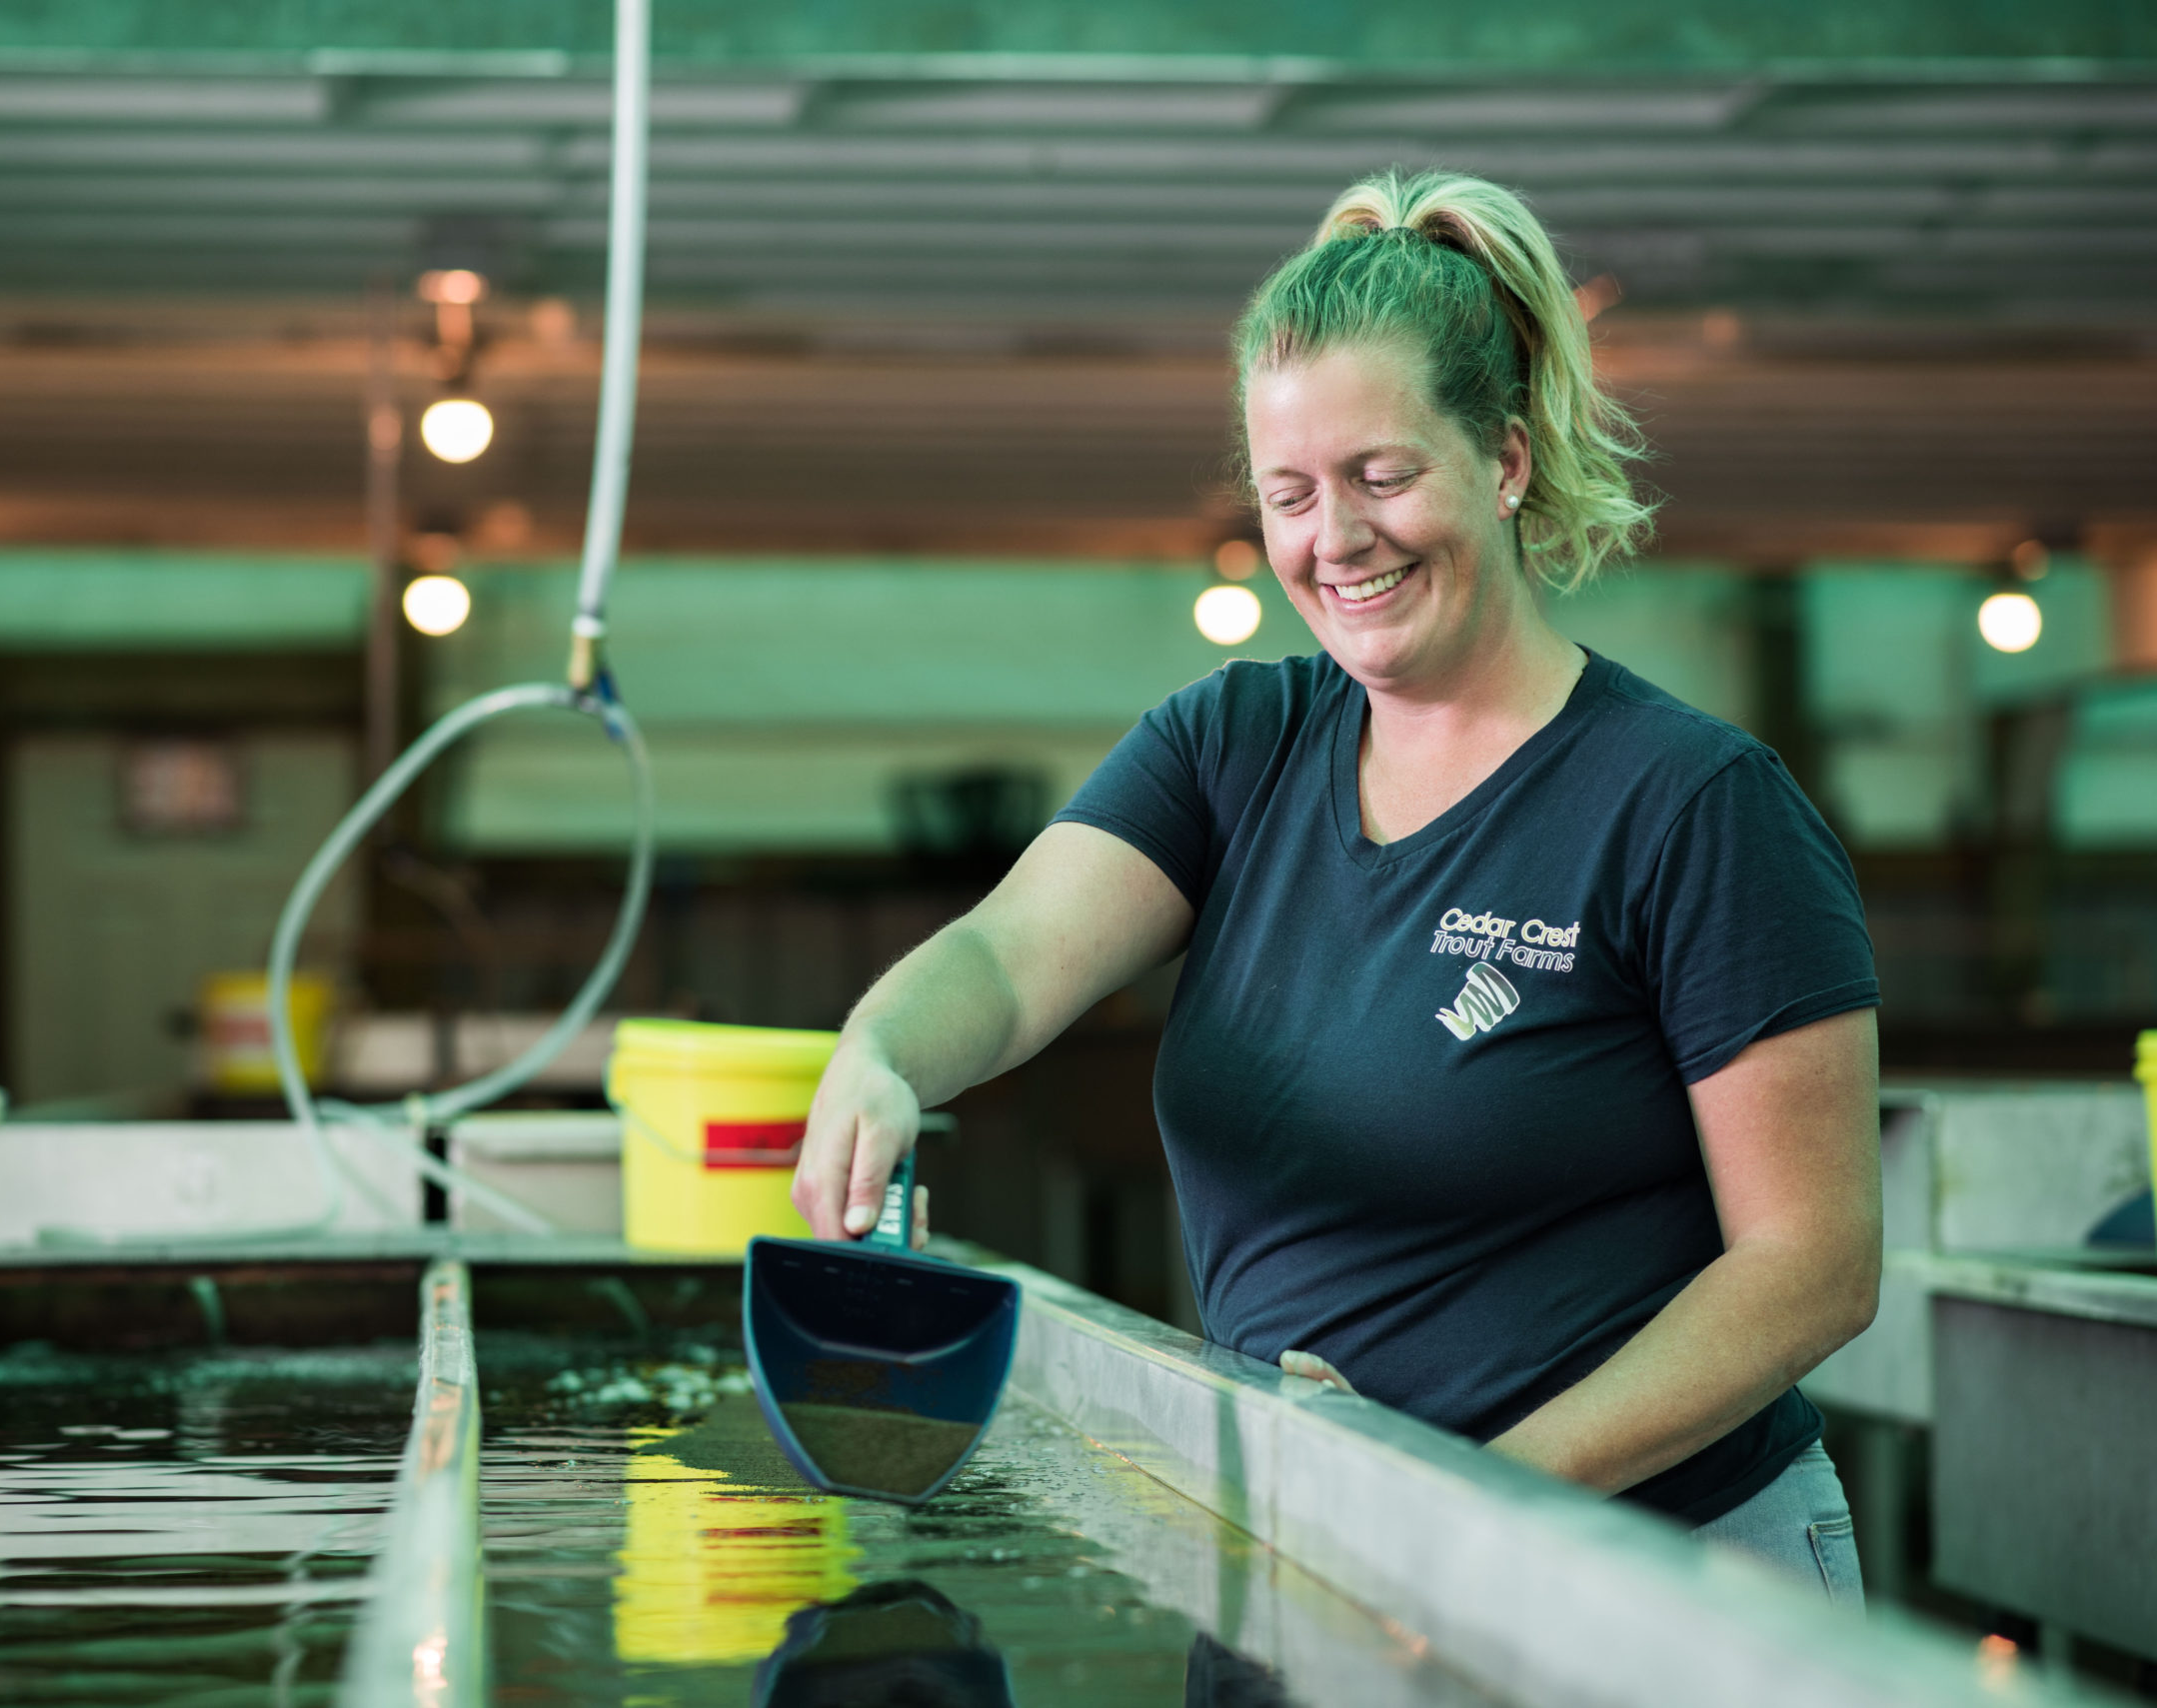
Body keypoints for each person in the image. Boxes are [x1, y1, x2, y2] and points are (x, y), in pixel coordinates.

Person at [791, 169, 1881, 1604]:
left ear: (1501, 458)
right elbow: (1004, 959)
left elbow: (1812, 1261)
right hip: (1324, 1553)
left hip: (1652, 1565)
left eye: (1383, 475)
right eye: (1291, 493)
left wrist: (1481, 1499)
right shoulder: (1231, 745)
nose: (1335, 539)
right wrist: (878, 1051)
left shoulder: (1688, 806)